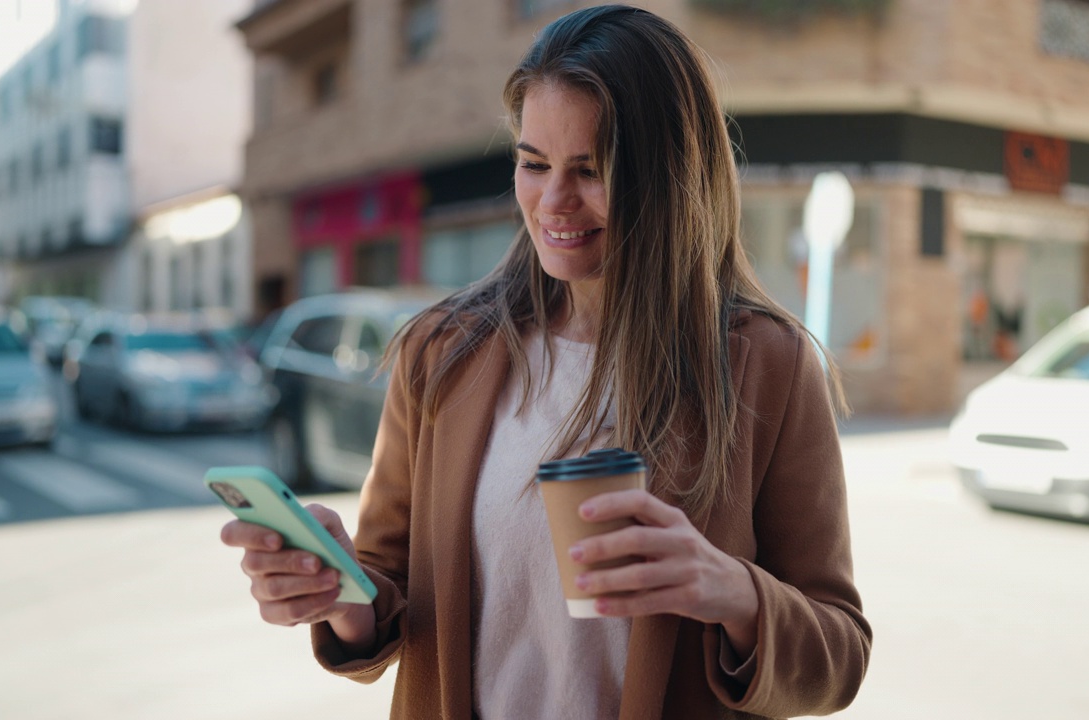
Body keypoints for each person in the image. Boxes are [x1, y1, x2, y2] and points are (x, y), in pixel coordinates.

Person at [221, 5, 872, 718]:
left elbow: (837, 660)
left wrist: (730, 590)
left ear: (672, 179)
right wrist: (337, 592)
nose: (553, 202)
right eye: (533, 164)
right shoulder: (442, 352)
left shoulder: (768, 365)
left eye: (591, 171)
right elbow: (389, 591)